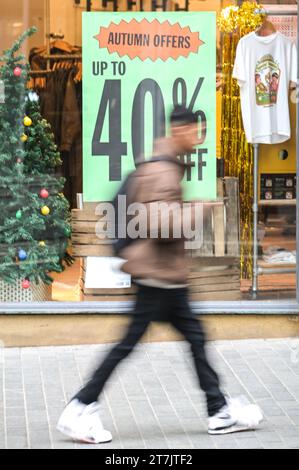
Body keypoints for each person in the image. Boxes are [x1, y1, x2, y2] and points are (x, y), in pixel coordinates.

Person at [57, 105, 263, 444]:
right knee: (131, 344)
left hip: (166, 276)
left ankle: (217, 408)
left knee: (195, 338)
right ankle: (81, 405)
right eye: (194, 131)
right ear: (178, 130)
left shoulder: (165, 165)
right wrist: (197, 212)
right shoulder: (162, 171)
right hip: (157, 277)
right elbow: (157, 223)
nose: (198, 138)